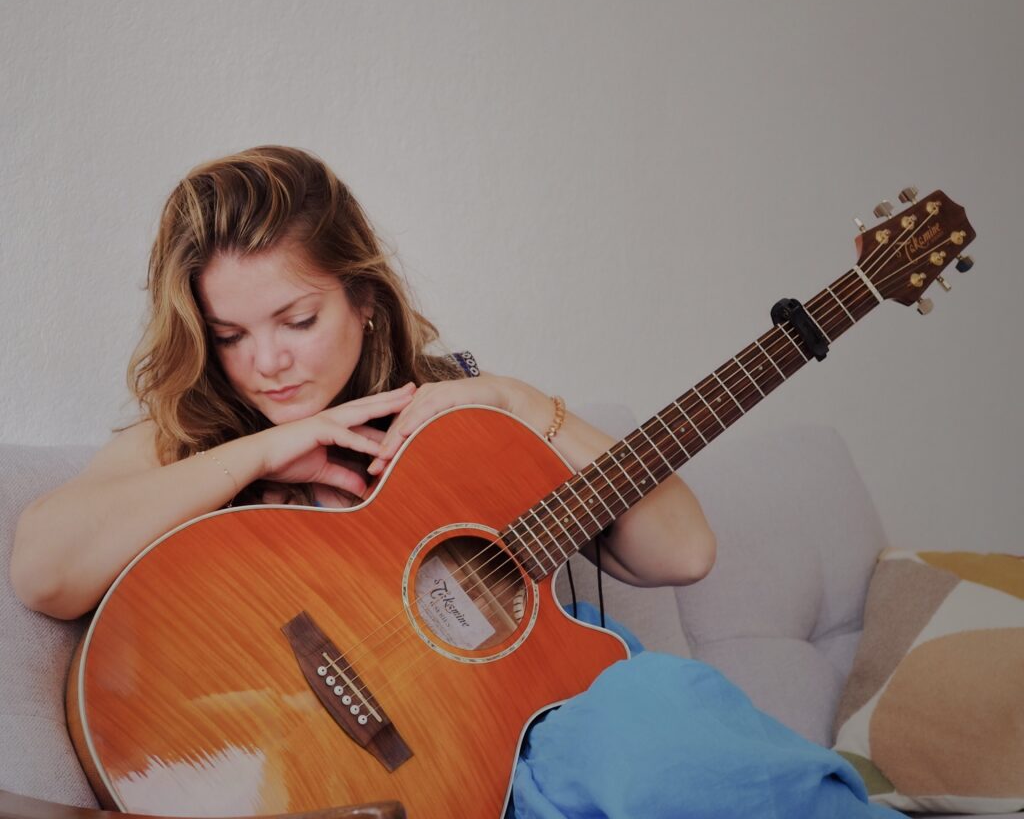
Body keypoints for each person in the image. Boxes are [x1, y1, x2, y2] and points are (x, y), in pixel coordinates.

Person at [10, 146, 899, 819]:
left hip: (547, 750)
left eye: (296, 318)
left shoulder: (462, 421)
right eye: (232, 334)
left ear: (363, 297)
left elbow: (686, 549)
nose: (267, 362)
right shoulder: (197, 436)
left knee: (653, 708)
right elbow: (46, 569)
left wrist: (514, 398)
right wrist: (261, 455)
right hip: (403, 784)